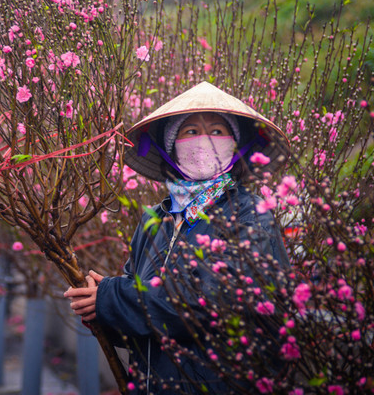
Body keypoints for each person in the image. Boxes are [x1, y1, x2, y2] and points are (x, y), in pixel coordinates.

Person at [65, 81, 291, 394]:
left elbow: (213, 304)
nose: (203, 140)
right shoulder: (154, 221)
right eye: (189, 131)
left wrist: (115, 296)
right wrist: (103, 310)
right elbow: (144, 324)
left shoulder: (249, 216)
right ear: (171, 148)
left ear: (234, 145)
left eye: (216, 130)